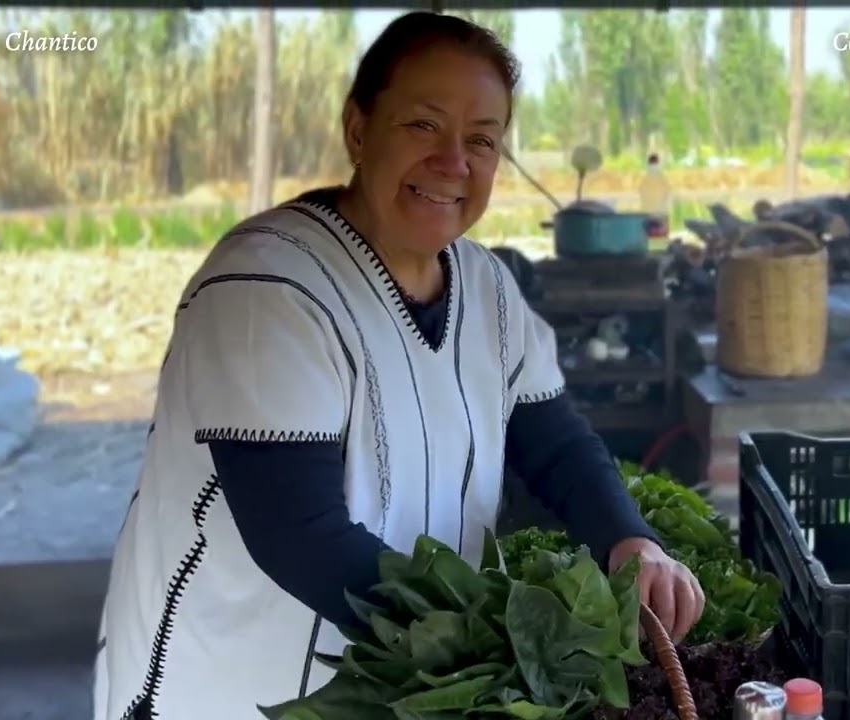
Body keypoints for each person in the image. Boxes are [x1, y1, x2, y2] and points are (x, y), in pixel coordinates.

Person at [92, 13, 705, 720]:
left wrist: (631, 540)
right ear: (359, 128)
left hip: (403, 680)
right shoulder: (268, 288)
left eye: (482, 140)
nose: (454, 162)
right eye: (423, 125)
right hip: (234, 683)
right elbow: (301, 535)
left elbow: (556, 442)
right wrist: (503, 649)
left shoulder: (485, 287)